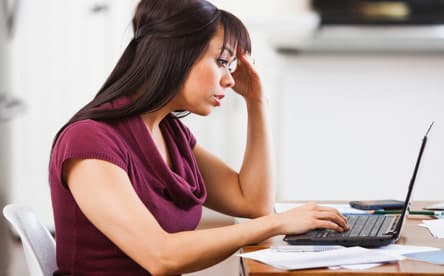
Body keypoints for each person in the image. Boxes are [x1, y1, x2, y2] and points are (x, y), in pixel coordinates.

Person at [49, 0, 349, 275]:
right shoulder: (89, 142)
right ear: (176, 53)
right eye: (221, 61)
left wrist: (257, 103)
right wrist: (275, 223)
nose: (230, 79)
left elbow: (252, 201)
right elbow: (160, 257)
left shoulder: (168, 132)